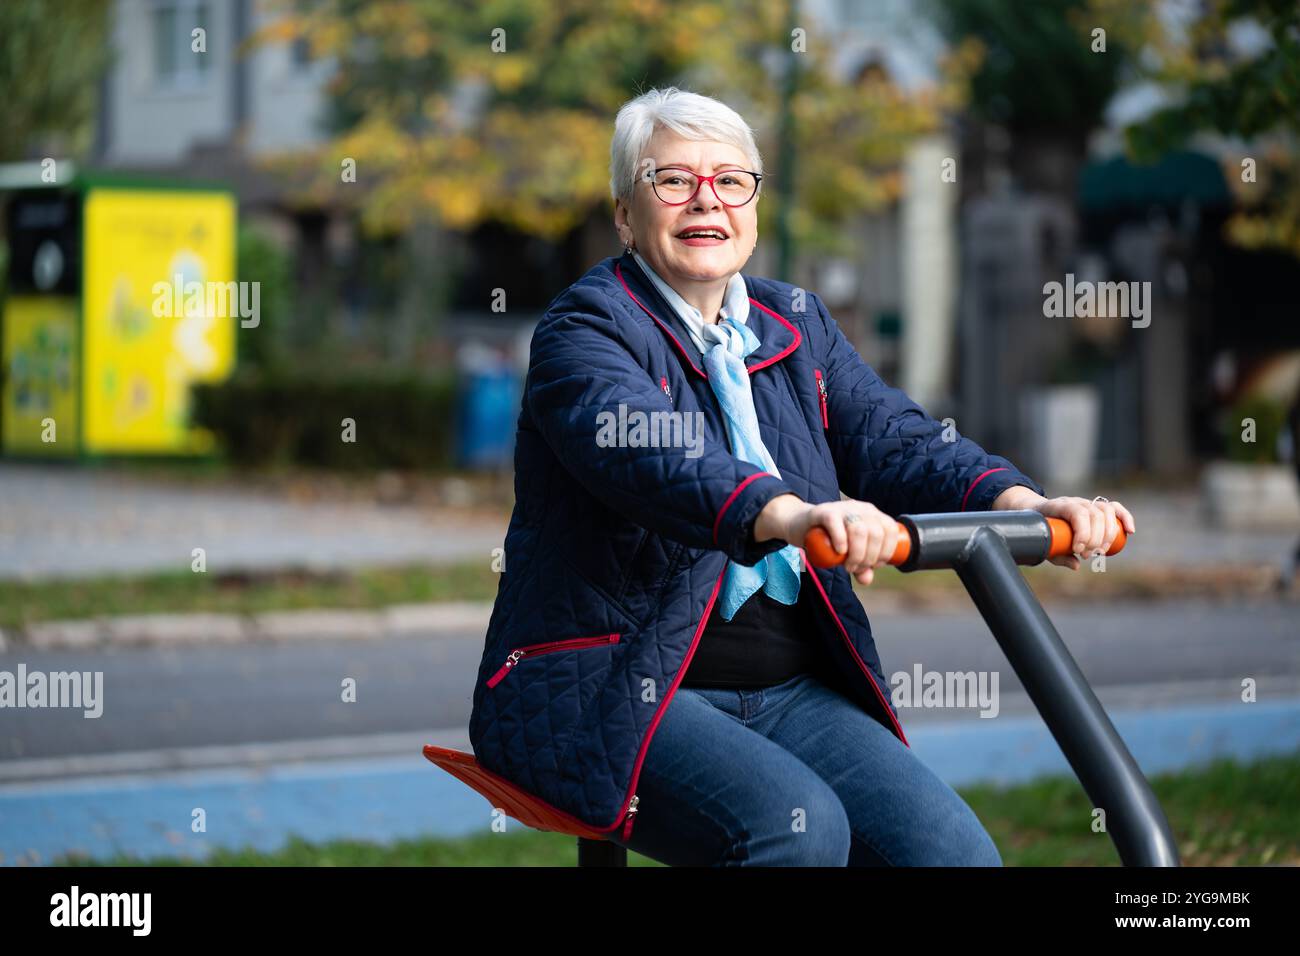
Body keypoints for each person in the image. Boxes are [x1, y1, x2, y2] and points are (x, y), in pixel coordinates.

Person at [467, 87, 1136, 866]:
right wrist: (784, 514)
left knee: (952, 853)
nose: (704, 201)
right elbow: (651, 453)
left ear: (752, 205)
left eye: (729, 180)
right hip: (609, 681)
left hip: (788, 690)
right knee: (797, 828)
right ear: (625, 214)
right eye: (672, 181)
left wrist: (1022, 501)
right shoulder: (584, 329)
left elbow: (893, 438)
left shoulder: (796, 322)